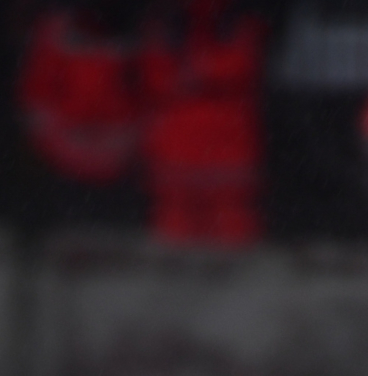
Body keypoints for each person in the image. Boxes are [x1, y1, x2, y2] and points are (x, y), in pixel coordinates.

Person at [137, 0, 270, 246]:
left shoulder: (237, 23)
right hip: (186, 148)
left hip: (220, 148)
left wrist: (196, 73)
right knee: (181, 227)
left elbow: (243, 67)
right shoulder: (165, 26)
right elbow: (154, 77)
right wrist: (207, 74)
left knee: (228, 227)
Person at [18, 2, 145, 224]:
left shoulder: (140, 29)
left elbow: (152, 91)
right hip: (67, 161)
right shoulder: (56, 32)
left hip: (124, 162)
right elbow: (38, 94)